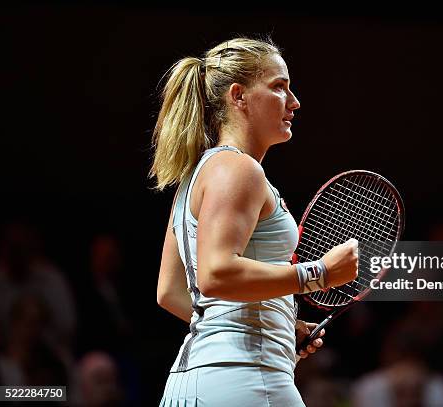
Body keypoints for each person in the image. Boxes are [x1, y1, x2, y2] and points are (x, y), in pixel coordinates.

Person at [151, 37, 358, 406]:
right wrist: (318, 274)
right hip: (246, 379)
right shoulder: (239, 169)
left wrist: (275, 321)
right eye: (279, 87)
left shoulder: (195, 176)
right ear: (239, 95)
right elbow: (215, 275)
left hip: (193, 382)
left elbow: (171, 292)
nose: (294, 102)